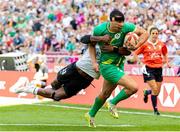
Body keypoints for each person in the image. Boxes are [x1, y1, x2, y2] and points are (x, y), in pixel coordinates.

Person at [12, 35, 131, 102]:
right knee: (54, 84)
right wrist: (101, 39)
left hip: (85, 79)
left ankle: (29, 89)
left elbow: (127, 52)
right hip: (75, 68)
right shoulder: (101, 38)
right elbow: (84, 39)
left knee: (57, 96)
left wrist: (115, 49)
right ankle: (31, 88)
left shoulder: (117, 49)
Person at [85, 9, 148, 127]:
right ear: (111, 20)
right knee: (133, 87)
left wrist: (136, 45)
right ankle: (112, 103)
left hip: (119, 64)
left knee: (105, 93)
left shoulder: (126, 27)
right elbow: (91, 46)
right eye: (118, 21)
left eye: (122, 21)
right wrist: (94, 63)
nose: (121, 24)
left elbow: (145, 33)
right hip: (107, 66)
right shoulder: (100, 30)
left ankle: (90, 114)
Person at [131, 26, 170, 115]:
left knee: (157, 91)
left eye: (156, 33)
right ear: (150, 34)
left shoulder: (161, 44)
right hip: (148, 69)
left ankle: (146, 92)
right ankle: (155, 110)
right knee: (155, 88)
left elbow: (165, 53)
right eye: (153, 33)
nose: (155, 35)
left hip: (159, 69)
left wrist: (166, 62)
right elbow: (135, 53)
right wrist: (140, 63)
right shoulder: (145, 45)